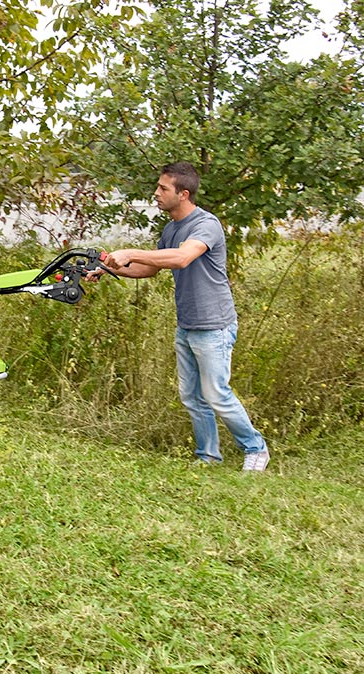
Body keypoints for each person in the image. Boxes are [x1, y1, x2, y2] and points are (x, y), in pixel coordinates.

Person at [88, 161, 270, 471]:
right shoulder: (171, 229)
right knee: (192, 396)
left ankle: (256, 449)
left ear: (183, 194)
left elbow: (183, 257)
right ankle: (208, 456)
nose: (156, 193)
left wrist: (130, 252)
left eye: (163, 188)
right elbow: (150, 269)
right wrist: (107, 268)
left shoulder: (206, 224)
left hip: (214, 325)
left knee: (216, 394)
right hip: (187, 324)